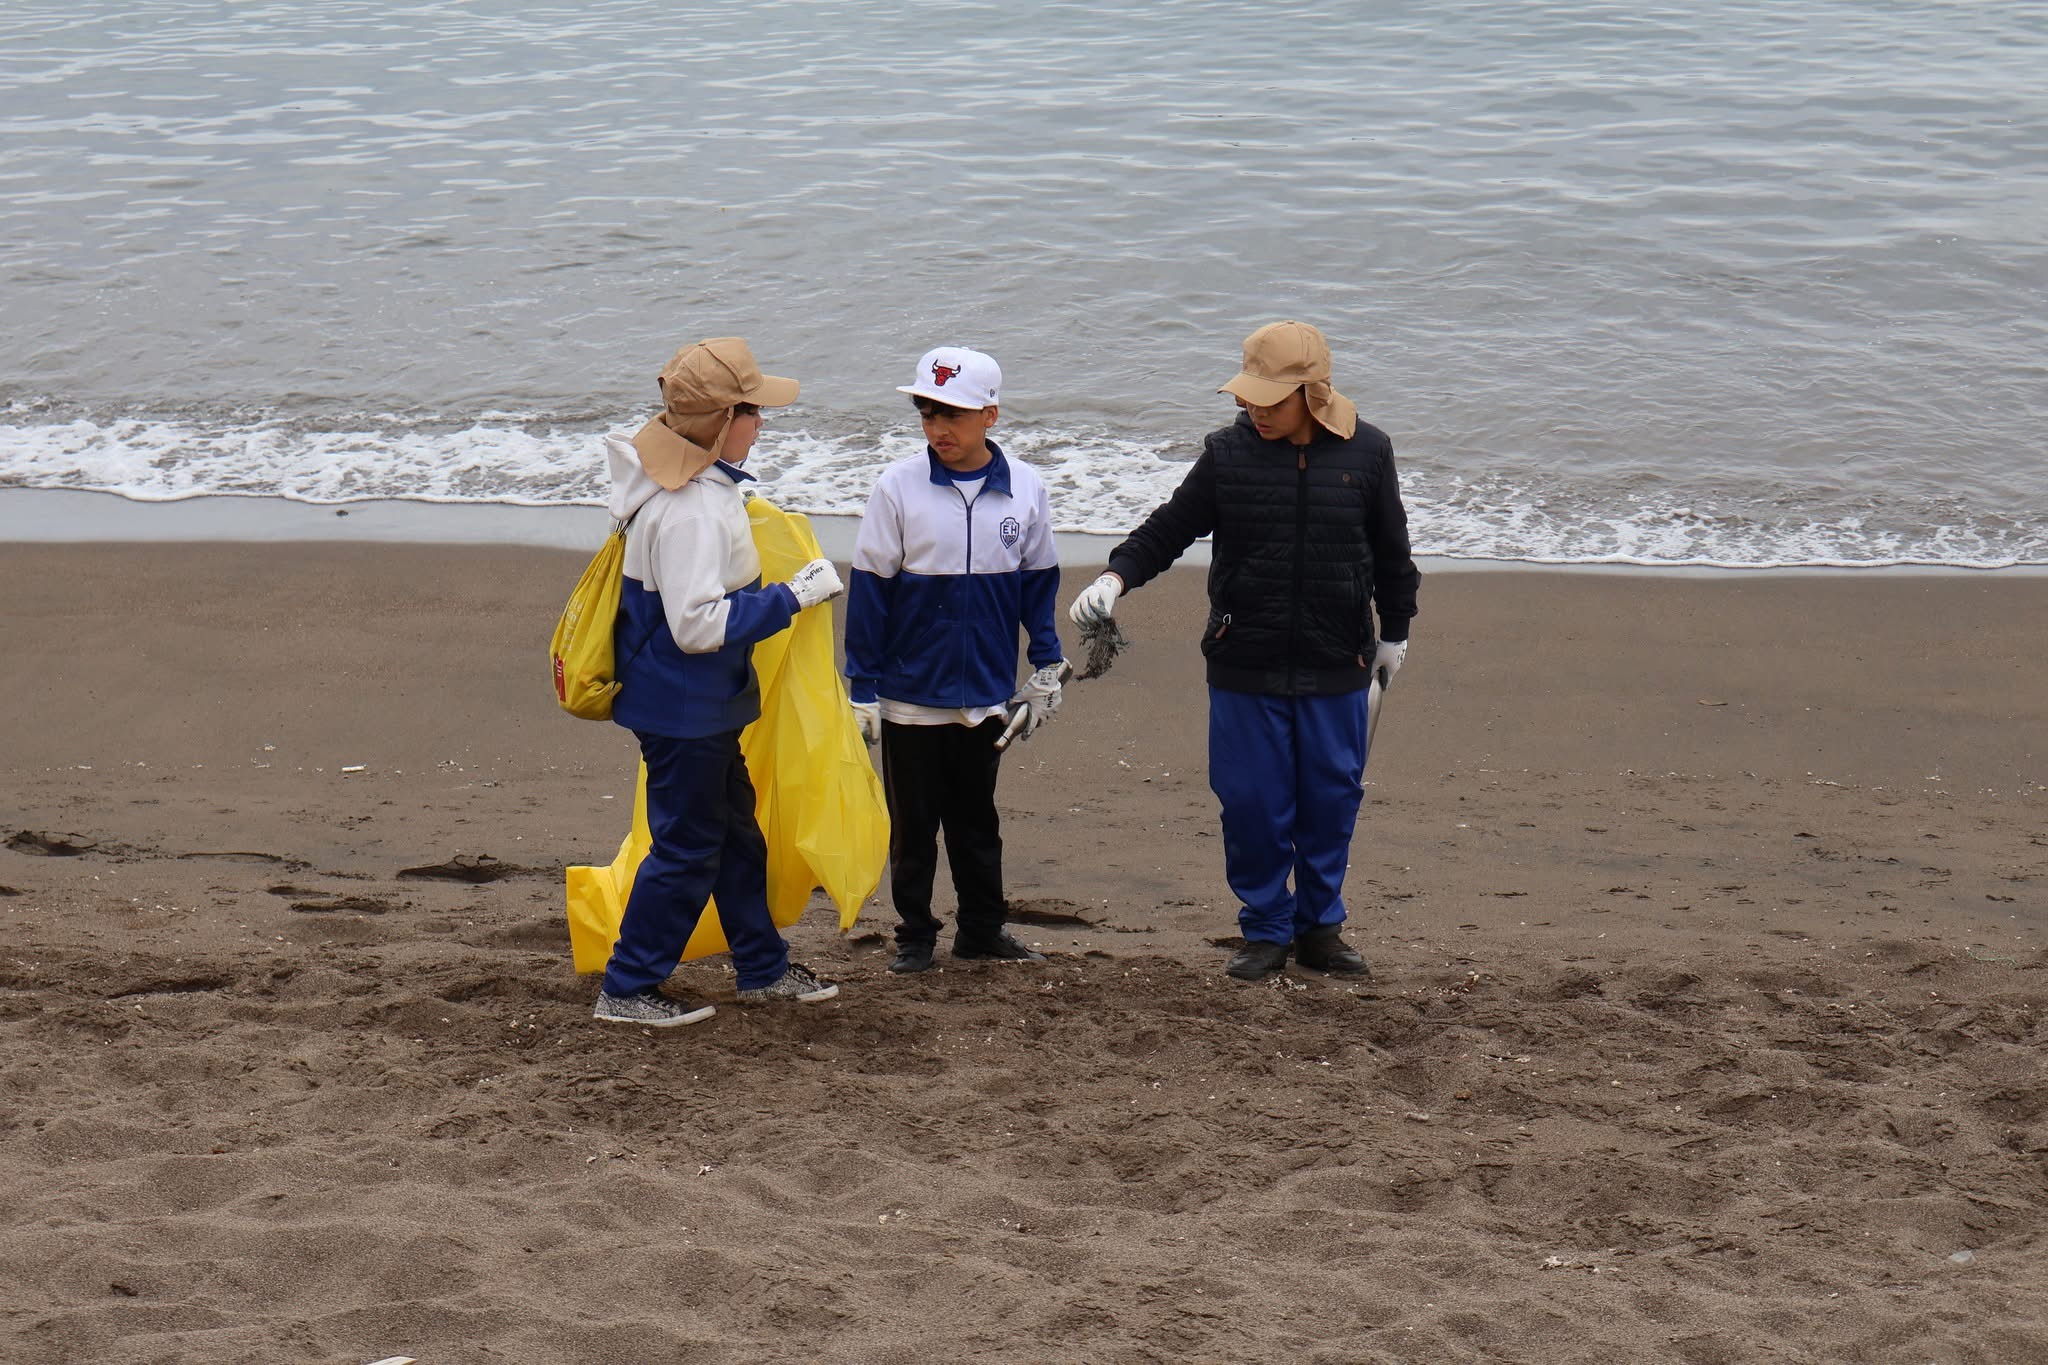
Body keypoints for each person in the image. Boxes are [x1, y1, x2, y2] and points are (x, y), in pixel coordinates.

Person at [1068, 321, 1419, 982]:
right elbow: (1169, 527)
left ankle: (1320, 929)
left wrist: (1395, 633)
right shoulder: (1228, 454)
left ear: (1313, 393)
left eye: (1271, 400)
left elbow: (1394, 554)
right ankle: (1264, 928)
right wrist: (1114, 578)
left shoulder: (1367, 453)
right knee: (1253, 802)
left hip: (1335, 662)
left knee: (1330, 801)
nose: (1254, 409)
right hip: (1243, 660)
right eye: (1249, 397)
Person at [592, 336, 848, 1027]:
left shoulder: (678, 487)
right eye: (753, 411)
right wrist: (793, 596)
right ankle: (627, 987)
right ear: (720, 421)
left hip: (690, 704)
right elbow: (697, 626)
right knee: (687, 849)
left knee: (735, 836)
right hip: (685, 710)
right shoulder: (690, 510)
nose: (762, 423)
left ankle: (762, 967)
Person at [844, 345, 1066, 974]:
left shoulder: (1025, 488)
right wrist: (861, 688)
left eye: (953, 415)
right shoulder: (897, 488)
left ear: (989, 415)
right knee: (913, 827)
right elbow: (869, 596)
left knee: (976, 821)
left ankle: (982, 931)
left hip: (989, 692)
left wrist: (1046, 667)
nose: (938, 428)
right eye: (927, 413)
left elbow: (1037, 586)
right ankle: (915, 936)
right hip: (910, 694)